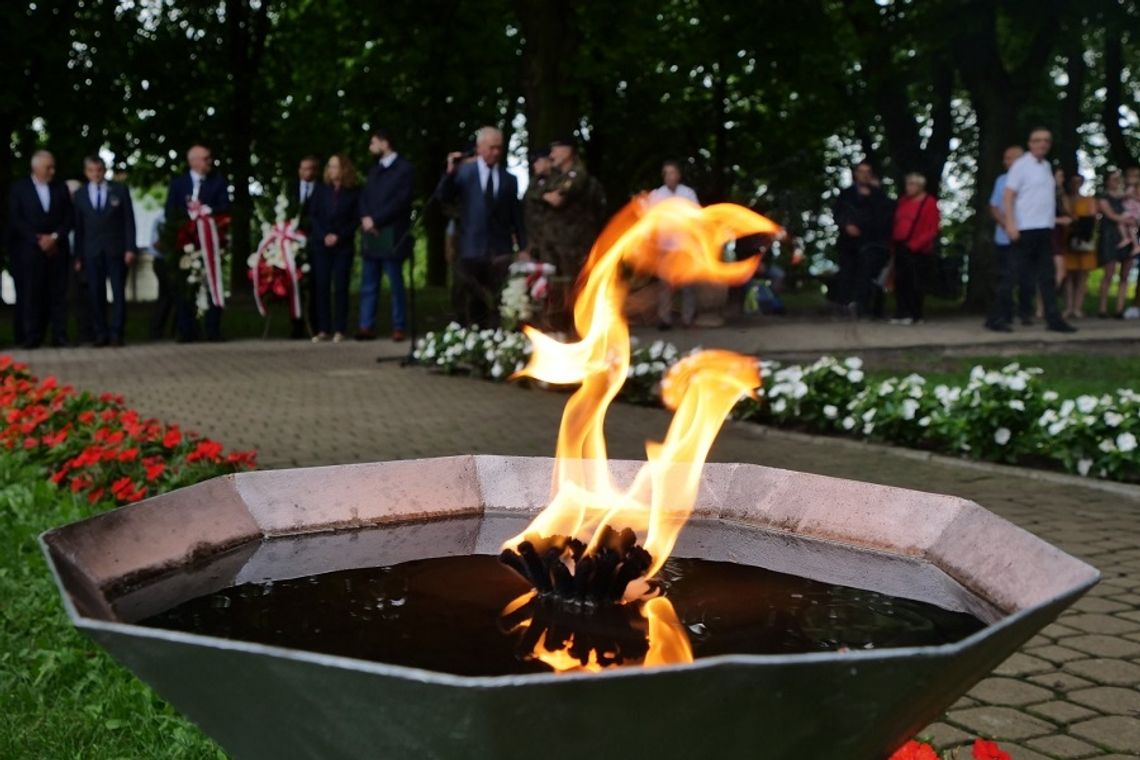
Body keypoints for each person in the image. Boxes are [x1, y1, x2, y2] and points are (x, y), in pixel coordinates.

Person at [437, 125, 526, 327]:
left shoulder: (509, 179)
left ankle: (494, 338)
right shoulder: (464, 173)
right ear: (480, 147)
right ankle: (467, 335)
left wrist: (522, 246)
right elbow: (444, 197)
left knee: (497, 298)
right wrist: (449, 174)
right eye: (492, 147)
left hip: (499, 250)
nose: (496, 152)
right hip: (470, 247)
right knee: (468, 296)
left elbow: (516, 216)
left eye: (499, 148)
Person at [1001, 128, 1076, 333]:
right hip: (1024, 228)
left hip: (1044, 228)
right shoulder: (1020, 166)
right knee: (1012, 274)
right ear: (1030, 143)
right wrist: (1010, 223)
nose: (1042, 144)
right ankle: (997, 318)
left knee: (1048, 275)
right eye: (1037, 140)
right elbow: (1008, 196)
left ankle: (1053, 319)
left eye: (1046, 141)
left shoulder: (1046, 166)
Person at [164, 144, 230, 342]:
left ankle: (213, 329)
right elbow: (170, 212)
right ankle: (187, 330)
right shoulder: (178, 184)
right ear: (193, 161)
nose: (209, 161)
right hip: (185, 244)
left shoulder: (217, 182)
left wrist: (206, 212)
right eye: (205, 158)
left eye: (209, 158)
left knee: (212, 284)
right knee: (185, 286)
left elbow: (225, 208)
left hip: (210, 243)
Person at [8, 150, 73, 349]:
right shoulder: (20, 189)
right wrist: (37, 240)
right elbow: (16, 219)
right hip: (30, 251)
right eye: (48, 167)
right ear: (35, 168)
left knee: (58, 294)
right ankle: (31, 336)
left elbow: (69, 217)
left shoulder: (60, 188)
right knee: (31, 294)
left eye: (53, 167)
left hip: (57, 250)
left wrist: (54, 238)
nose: (52, 171)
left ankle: (59, 335)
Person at [73, 156, 137, 347]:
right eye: (92, 170)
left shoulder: (119, 189)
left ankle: (117, 332)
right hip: (91, 250)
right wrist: (78, 255)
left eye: (99, 170)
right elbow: (78, 227)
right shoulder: (81, 194)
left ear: (104, 170)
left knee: (118, 292)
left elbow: (128, 221)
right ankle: (100, 333)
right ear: (86, 172)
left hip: (115, 248)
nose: (96, 174)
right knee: (95, 293)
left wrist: (130, 248)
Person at [357, 130, 413, 341]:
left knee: (395, 282)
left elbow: (400, 201)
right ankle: (366, 325)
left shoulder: (404, 169)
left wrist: (377, 220)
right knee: (369, 281)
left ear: (385, 142)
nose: (370, 146)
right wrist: (365, 218)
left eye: (373, 142)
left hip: (392, 232)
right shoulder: (374, 170)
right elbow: (364, 197)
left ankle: (399, 326)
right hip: (371, 233)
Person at [831, 160, 894, 318]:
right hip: (848, 244)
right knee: (846, 274)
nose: (864, 175)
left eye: (868, 172)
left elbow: (885, 217)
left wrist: (874, 194)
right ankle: (844, 306)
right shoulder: (846, 194)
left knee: (866, 276)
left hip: (870, 243)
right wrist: (847, 225)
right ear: (856, 174)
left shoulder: (879, 195)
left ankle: (863, 308)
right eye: (861, 172)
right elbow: (838, 213)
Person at [309, 154, 361, 342]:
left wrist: (339, 236)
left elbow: (355, 219)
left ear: (344, 169)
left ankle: (340, 328)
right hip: (322, 245)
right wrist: (324, 236)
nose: (332, 170)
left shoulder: (353, 192)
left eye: (336, 166)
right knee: (321, 286)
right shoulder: (320, 190)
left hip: (343, 246)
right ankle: (323, 328)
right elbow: (313, 216)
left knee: (341, 287)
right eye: (330, 166)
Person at [985, 146, 1034, 331]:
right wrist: (1007, 224)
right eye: (1005, 158)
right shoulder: (1002, 180)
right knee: (1005, 277)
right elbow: (995, 206)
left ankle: (1025, 311)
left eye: (1010, 158)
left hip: (1027, 237)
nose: (1006, 162)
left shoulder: (1031, 182)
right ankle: (1002, 314)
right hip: (1004, 238)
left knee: (1027, 279)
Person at [648, 159, 700, 330]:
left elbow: (697, 217)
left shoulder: (688, 194)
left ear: (678, 175)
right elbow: (650, 221)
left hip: (684, 245)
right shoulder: (657, 195)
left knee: (688, 285)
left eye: (673, 173)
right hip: (665, 246)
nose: (670, 176)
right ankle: (665, 319)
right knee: (665, 285)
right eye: (666, 173)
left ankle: (687, 318)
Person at [889, 173, 940, 324]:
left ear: (920, 186)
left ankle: (914, 313)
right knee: (900, 280)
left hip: (917, 249)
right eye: (908, 183)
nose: (908, 187)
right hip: (900, 245)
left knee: (915, 282)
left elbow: (931, 229)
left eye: (912, 184)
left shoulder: (929, 203)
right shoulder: (903, 201)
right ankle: (901, 311)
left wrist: (914, 245)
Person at [542, 137, 594, 281]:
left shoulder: (577, 173)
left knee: (572, 287)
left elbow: (556, 199)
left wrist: (544, 195)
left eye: (555, 150)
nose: (552, 156)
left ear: (567, 151)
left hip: (573, 247)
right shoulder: (557, 176)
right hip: (556, 245)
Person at [288, 155, 321, 339]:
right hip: (292, 244)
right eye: (303, 168)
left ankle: (315, 325)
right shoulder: (291, 190)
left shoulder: (322, 190)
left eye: (310, 168)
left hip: (314, 243)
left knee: (315, 285)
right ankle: (296, 325)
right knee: (294, 285)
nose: (306, 172)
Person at [1096, 170, 1134, 318]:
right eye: (1113, 179)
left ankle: (1120, 308)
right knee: (1109, 274)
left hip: (1127, 237)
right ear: (1107, 181)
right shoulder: (1104, 198)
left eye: (1118, 179)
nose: (1116, 182)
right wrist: (1129, 221)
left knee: (1125, 274)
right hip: (1110, 237)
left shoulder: (1125, 198)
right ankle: (1102, 308)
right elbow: (1111, 215)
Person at [1060, 174, 1098, 319]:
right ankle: (1068, 307)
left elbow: (1092, 218)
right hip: (1067, 240)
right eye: (1073, 182)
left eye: (1079, 182)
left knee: (1082, 275)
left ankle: (1078, 308)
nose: (1076, 185)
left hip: (1083, 240)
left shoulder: (1088, 200)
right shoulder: (1065, 200)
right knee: (1068, 276)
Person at [523, 148, 553, 265]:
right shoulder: (534, 182)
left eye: (537, 161)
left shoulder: (558, 179)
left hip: (553, 240)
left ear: (547, 161)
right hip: (534, 239)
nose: (534, 165)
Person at [147, 210, 174, 339]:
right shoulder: (162, 218)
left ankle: (172, 329)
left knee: (172, 297)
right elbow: (156, 244)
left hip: (172, 260)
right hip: (163, 261)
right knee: (166, 296)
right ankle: (156, 330)